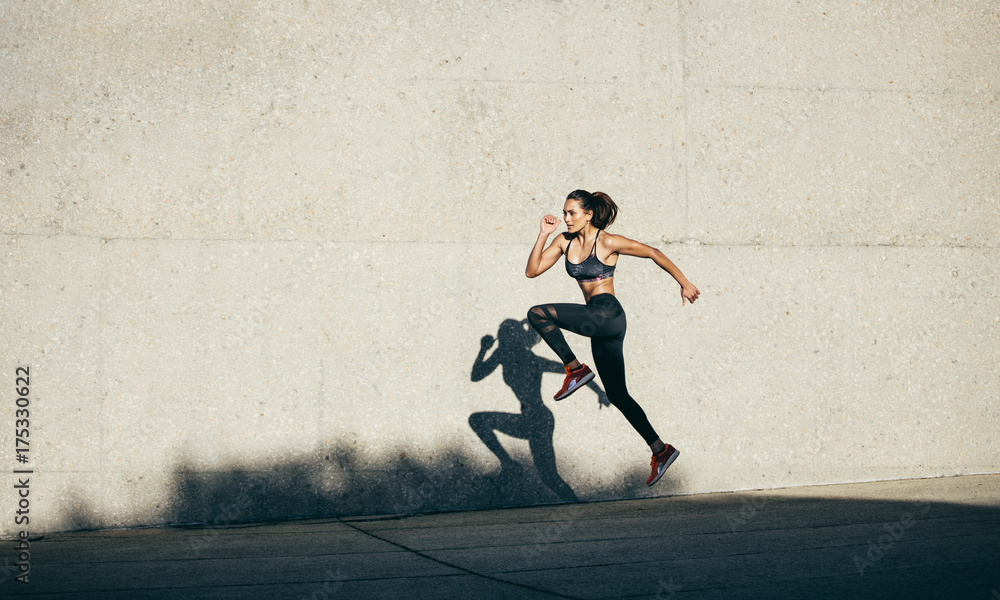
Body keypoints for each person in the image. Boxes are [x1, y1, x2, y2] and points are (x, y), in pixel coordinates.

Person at [525, 190, 700, 486]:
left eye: (572, 213)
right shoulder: (563, 242)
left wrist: (684, 282)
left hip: (608, 314)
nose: (566, 219)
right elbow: (533, 271)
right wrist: (543, 234)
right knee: (617, 394)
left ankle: (575, 368)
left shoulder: (606, 241)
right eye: (564, 213)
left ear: (588, 214)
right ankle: (661, 450)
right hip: (598, 324)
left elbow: (653, 253)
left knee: (538, 313)